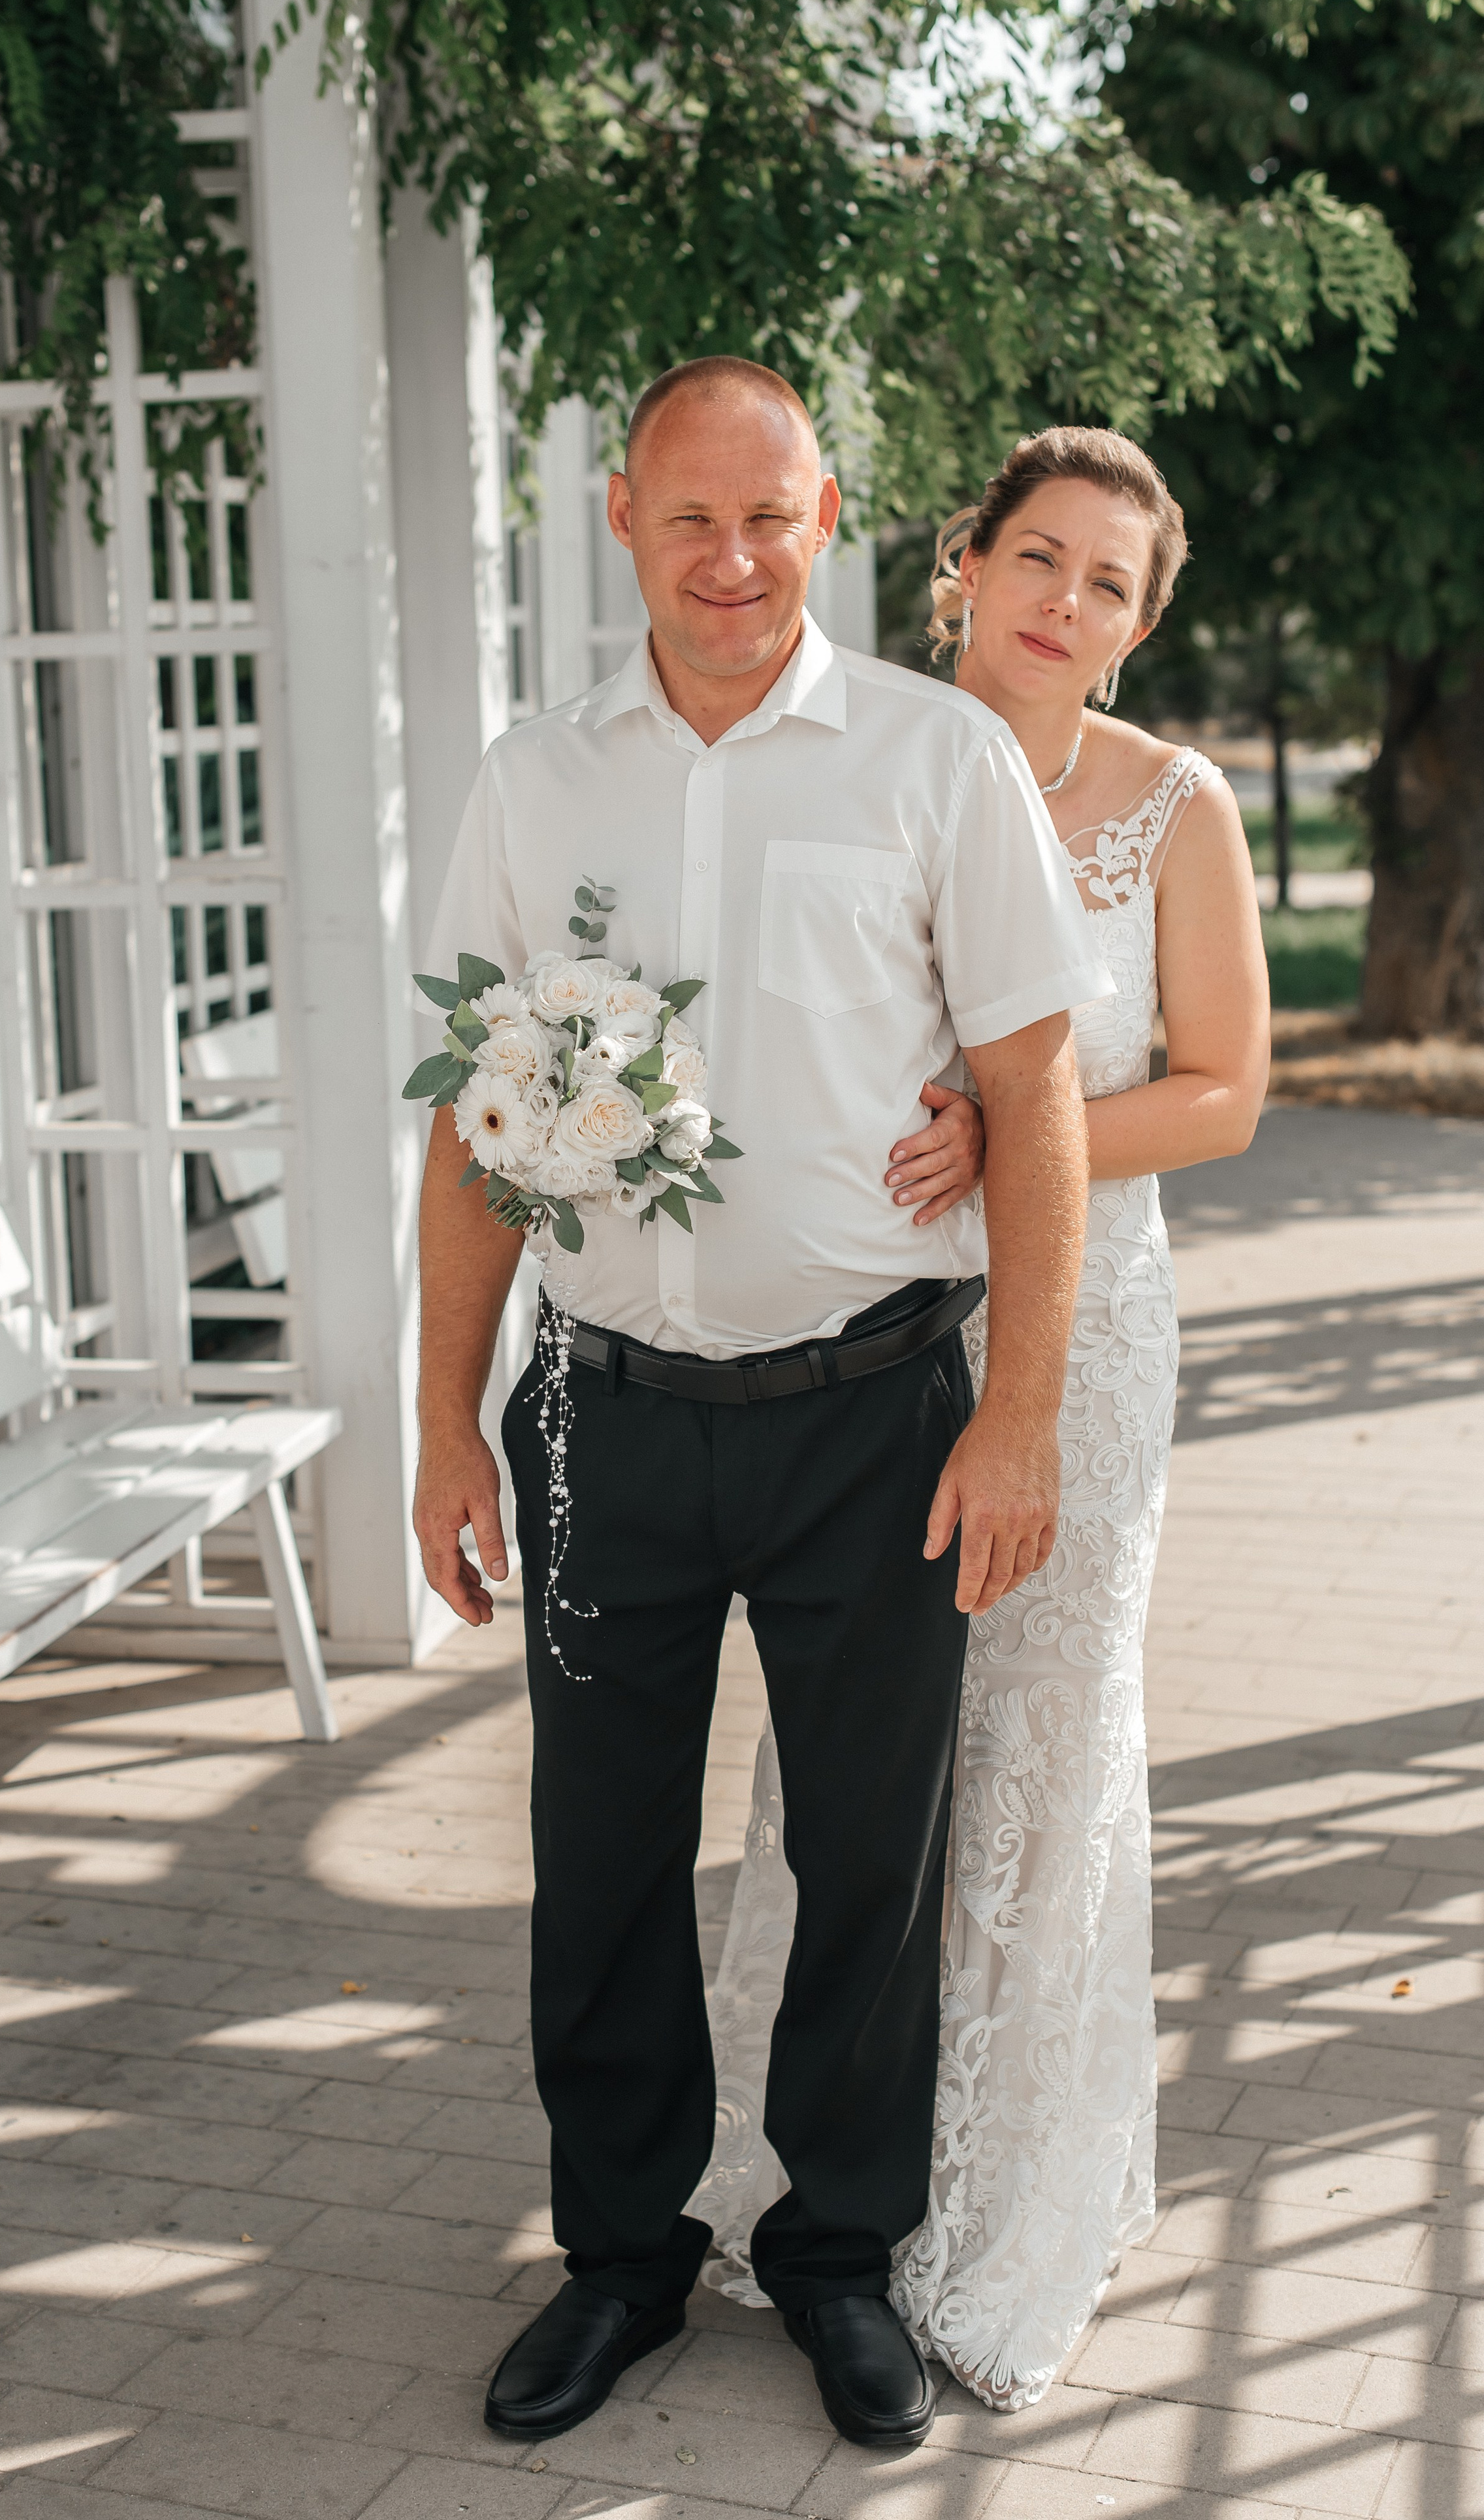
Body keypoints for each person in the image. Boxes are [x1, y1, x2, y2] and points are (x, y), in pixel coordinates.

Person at [412, 359, 1118, 2451]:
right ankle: (623, 2258)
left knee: (871, 1862)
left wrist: (1026, 1416)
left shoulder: (932, 758)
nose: (733, 562)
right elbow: (475, 1125)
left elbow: (1034, 1093)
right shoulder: (536, 783)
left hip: (874, 1417)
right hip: (599, 1413)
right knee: (600, 1854)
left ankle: (838, 2260)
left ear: (833, 520)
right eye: (693, 519)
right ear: (625, 513)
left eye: (774, 520)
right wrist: (448, 1416)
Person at [696, 425, 1270, 2412]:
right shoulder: (846, 756)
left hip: (1087, 1337)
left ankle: (995, 2197)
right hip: (861, 1335)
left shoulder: (1170, 807)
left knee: (1037, 1747)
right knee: (849, 1759)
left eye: (1112, 584)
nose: (1068, 604)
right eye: (1042, 557)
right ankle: (807, 2185)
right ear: (966, 561)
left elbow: (1227, 1092)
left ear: (1139, 625)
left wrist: (1023, 1131)